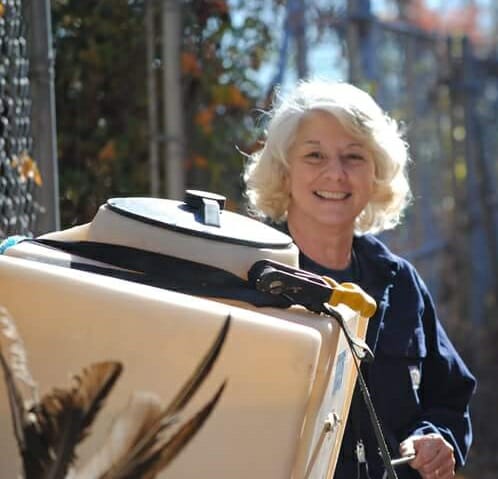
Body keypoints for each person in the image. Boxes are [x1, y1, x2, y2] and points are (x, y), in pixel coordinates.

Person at [243, 79, 476, 479]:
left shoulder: (401, 283)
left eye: (354, 157)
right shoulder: (246, 277)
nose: (336, 174)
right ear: (284, 172)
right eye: (314, 155)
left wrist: (435, 438)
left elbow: (448, 399)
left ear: (376, 175)